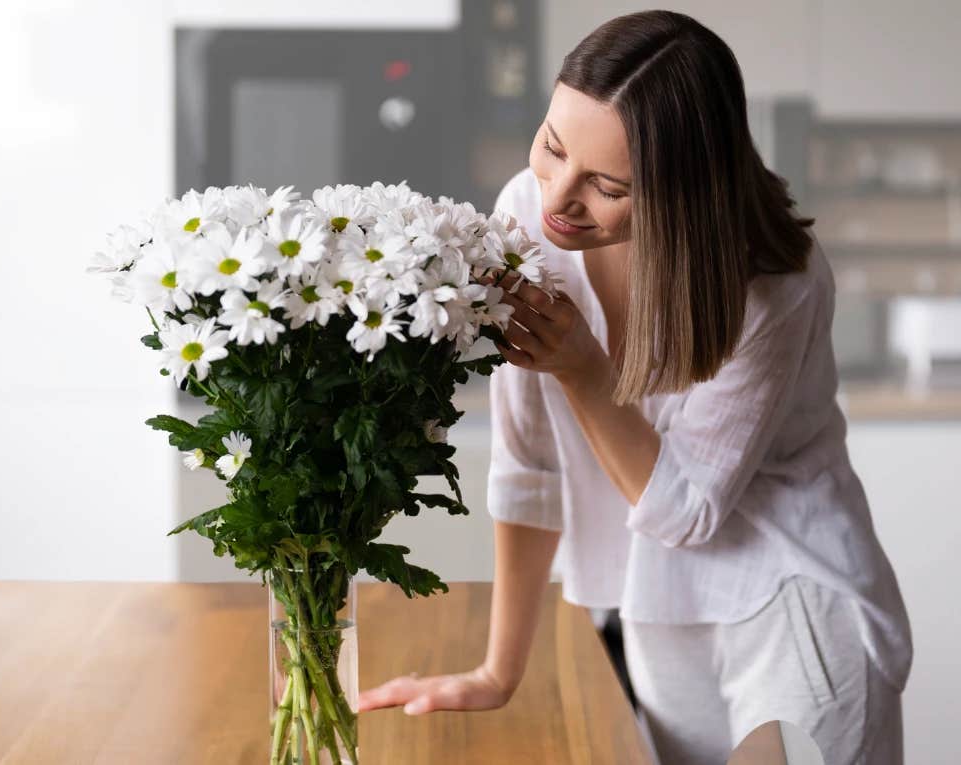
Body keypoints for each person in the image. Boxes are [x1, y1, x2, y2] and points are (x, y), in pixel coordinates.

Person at [358, 11, 912, 765]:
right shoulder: (525, 218)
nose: (557, 197)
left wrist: (584, 369)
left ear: (683, 193)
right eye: (553, 148)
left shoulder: (772, 281)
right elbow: (531, 465)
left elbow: (689, 510)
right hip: (658, 606)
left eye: (607, 186)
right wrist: (499, 669)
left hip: (790, 596)